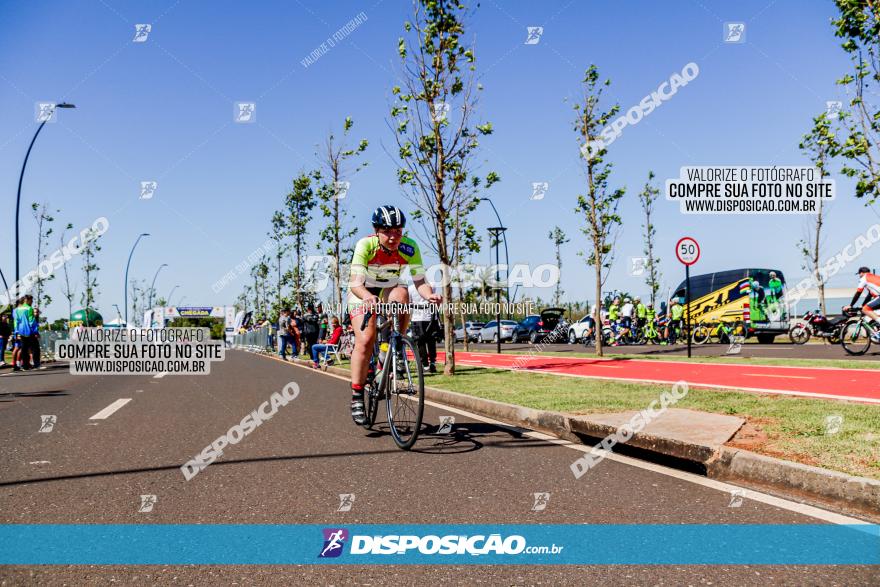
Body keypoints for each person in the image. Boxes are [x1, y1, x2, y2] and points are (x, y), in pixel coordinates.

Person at [347, 205, 442, 425]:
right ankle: (357, 395)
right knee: (366, 339)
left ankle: (395, 343)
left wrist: (429, 295)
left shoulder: (409, 247)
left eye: (398, 231)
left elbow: (419, 280)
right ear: (377, 230)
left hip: (389, 286)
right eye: (387, 231)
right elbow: (355, 283)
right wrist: (367, 297)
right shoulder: (366, 245)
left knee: (403, 294)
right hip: (362, 291)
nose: (393, 237)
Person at [844, 266, 880, 343]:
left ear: (861, 273)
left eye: (859, 274)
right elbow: (869, 295)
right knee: (870, 309)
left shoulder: (864, 278)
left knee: (866, 309)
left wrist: (851, 305)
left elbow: (858, 293)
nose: (859, 276)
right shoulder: (874, 278)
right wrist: (863, 304)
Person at [408, 282, 438, 373]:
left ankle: (425, 365)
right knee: (431, 341)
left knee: (420, 342)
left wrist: (409, 317)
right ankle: (432, 363)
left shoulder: (410, 288)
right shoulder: (432, 285)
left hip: (417, 318)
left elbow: (409, 304)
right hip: (430, 317)